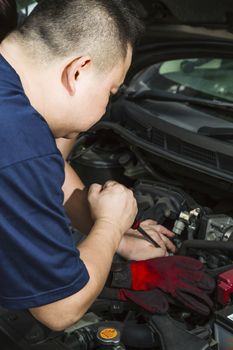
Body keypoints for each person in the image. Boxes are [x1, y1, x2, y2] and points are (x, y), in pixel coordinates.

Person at [0, 0, 176, 331]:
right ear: (78, 70)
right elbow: (59, 309)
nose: (104, 110)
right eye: (110, 92)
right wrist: (110, 224)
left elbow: (42, 168)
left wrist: (117, 237)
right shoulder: (17, 137)